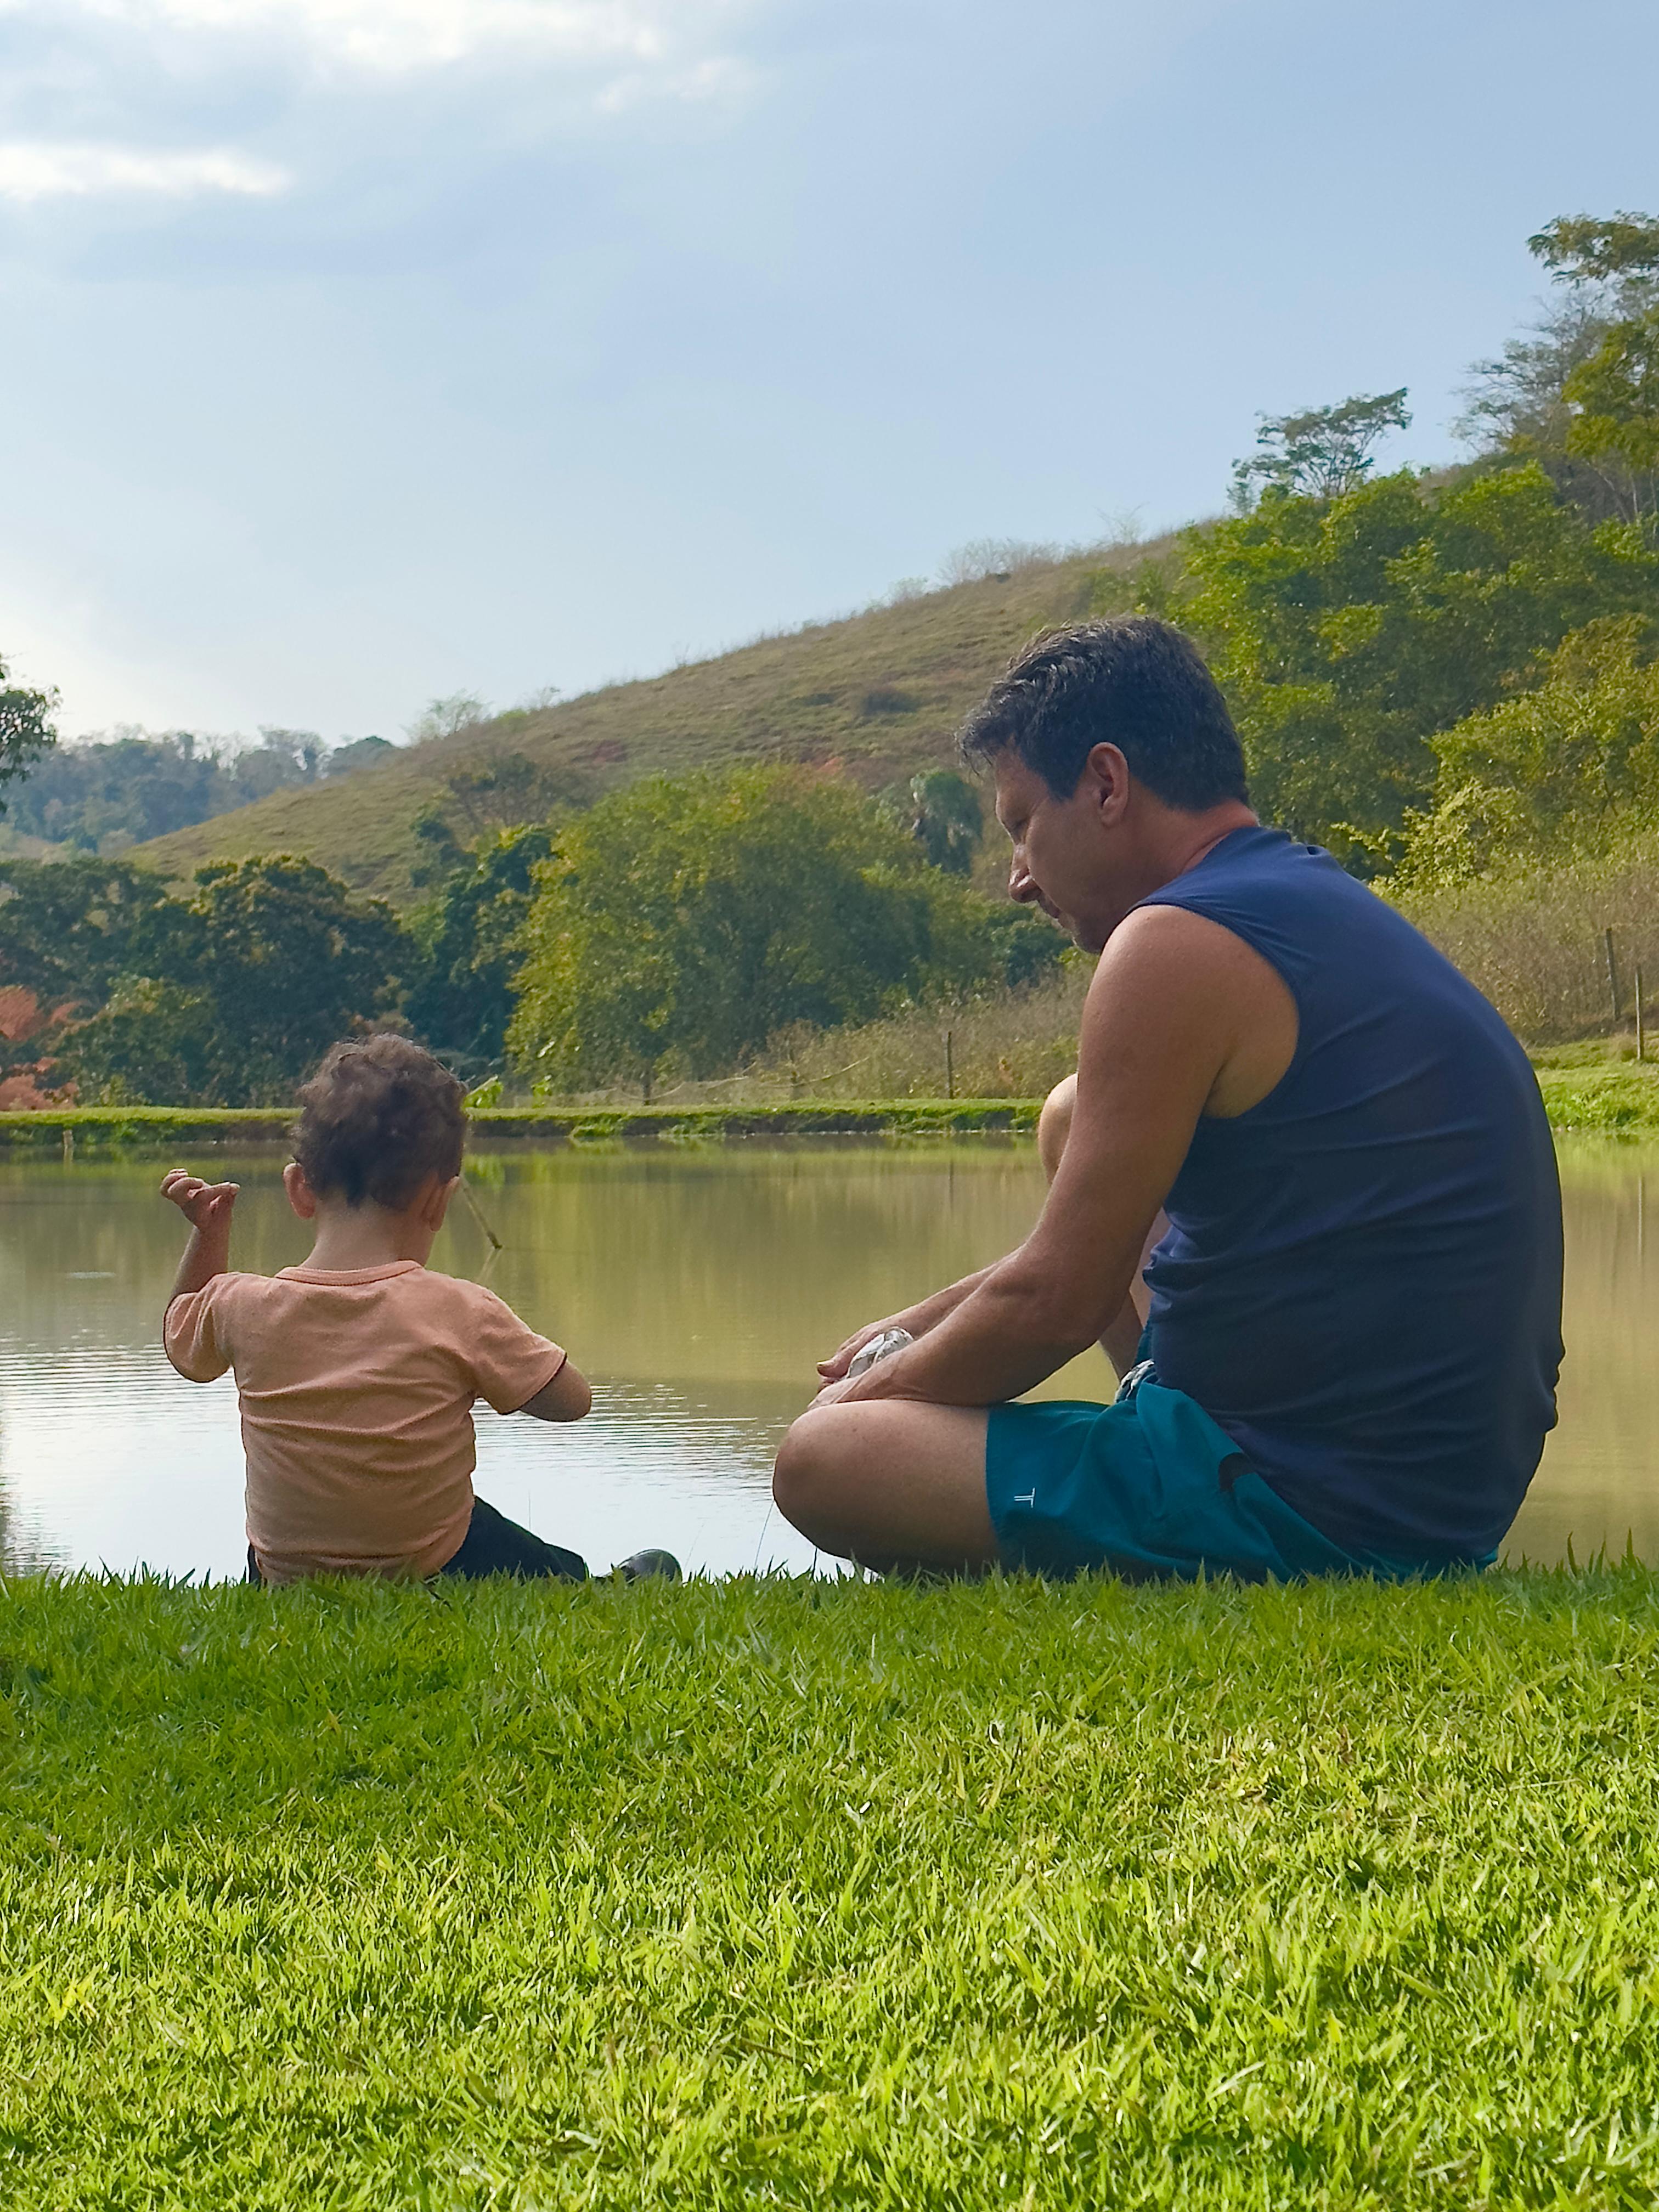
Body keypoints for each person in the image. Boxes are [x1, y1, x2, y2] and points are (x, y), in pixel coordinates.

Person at [772, 617, 1564, 1582]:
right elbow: (1080, 1250)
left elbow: (1059, 1302)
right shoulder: (1288, 898)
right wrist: (920, 1321)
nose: (1016, 879)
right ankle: (1143, 1471)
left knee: (822, 1462)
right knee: (1071, 1114)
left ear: (1105, 784)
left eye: (1020, 825)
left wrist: (864, 1400)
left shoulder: (1170, 942)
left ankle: (1171, 1512)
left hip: (1322, 1509)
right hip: (1424, 1493)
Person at [161, 1031, 679, 1587]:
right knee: (515, 1549)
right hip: (434, 1562)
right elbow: (573, 1402)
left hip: (282, 1574)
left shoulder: (242, 1304)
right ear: (439, 1198)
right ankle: (597, 1589)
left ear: (299, 1190)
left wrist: (209, 1233)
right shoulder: (457, 1310)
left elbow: (180, 1340)